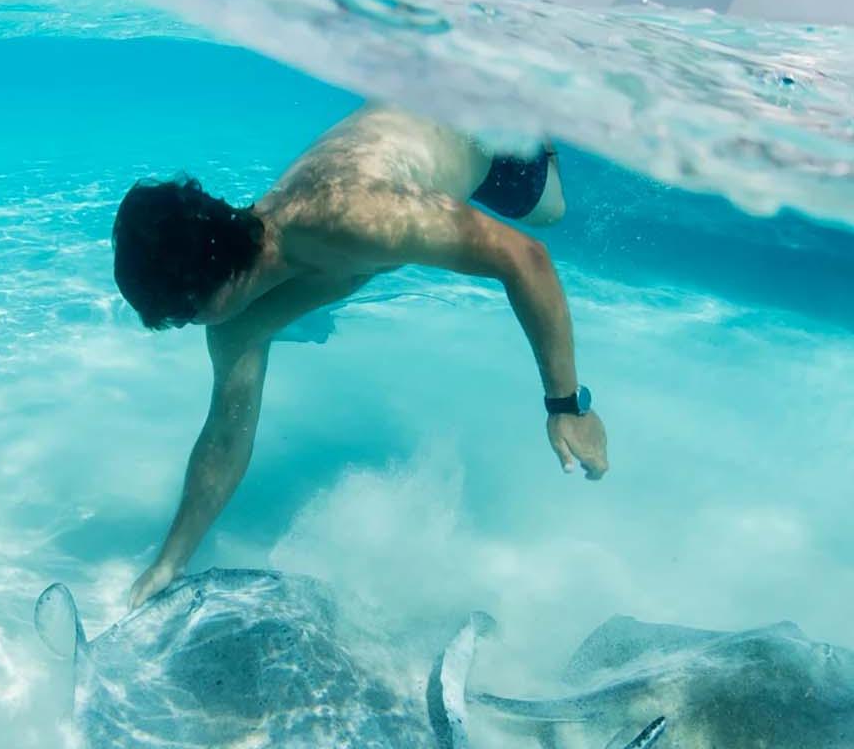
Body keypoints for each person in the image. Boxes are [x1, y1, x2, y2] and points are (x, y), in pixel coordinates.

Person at [112, 105, 609, 608]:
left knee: (550, 212)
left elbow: (525, 258)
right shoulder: (239, 320)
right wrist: (170, 561)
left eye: (184, 315)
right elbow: (223, 438)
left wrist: (566, 406)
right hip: (434, 154)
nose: (189, 326)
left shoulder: (350, 218)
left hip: (482, 119)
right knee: (549, 208)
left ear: (213, 289)